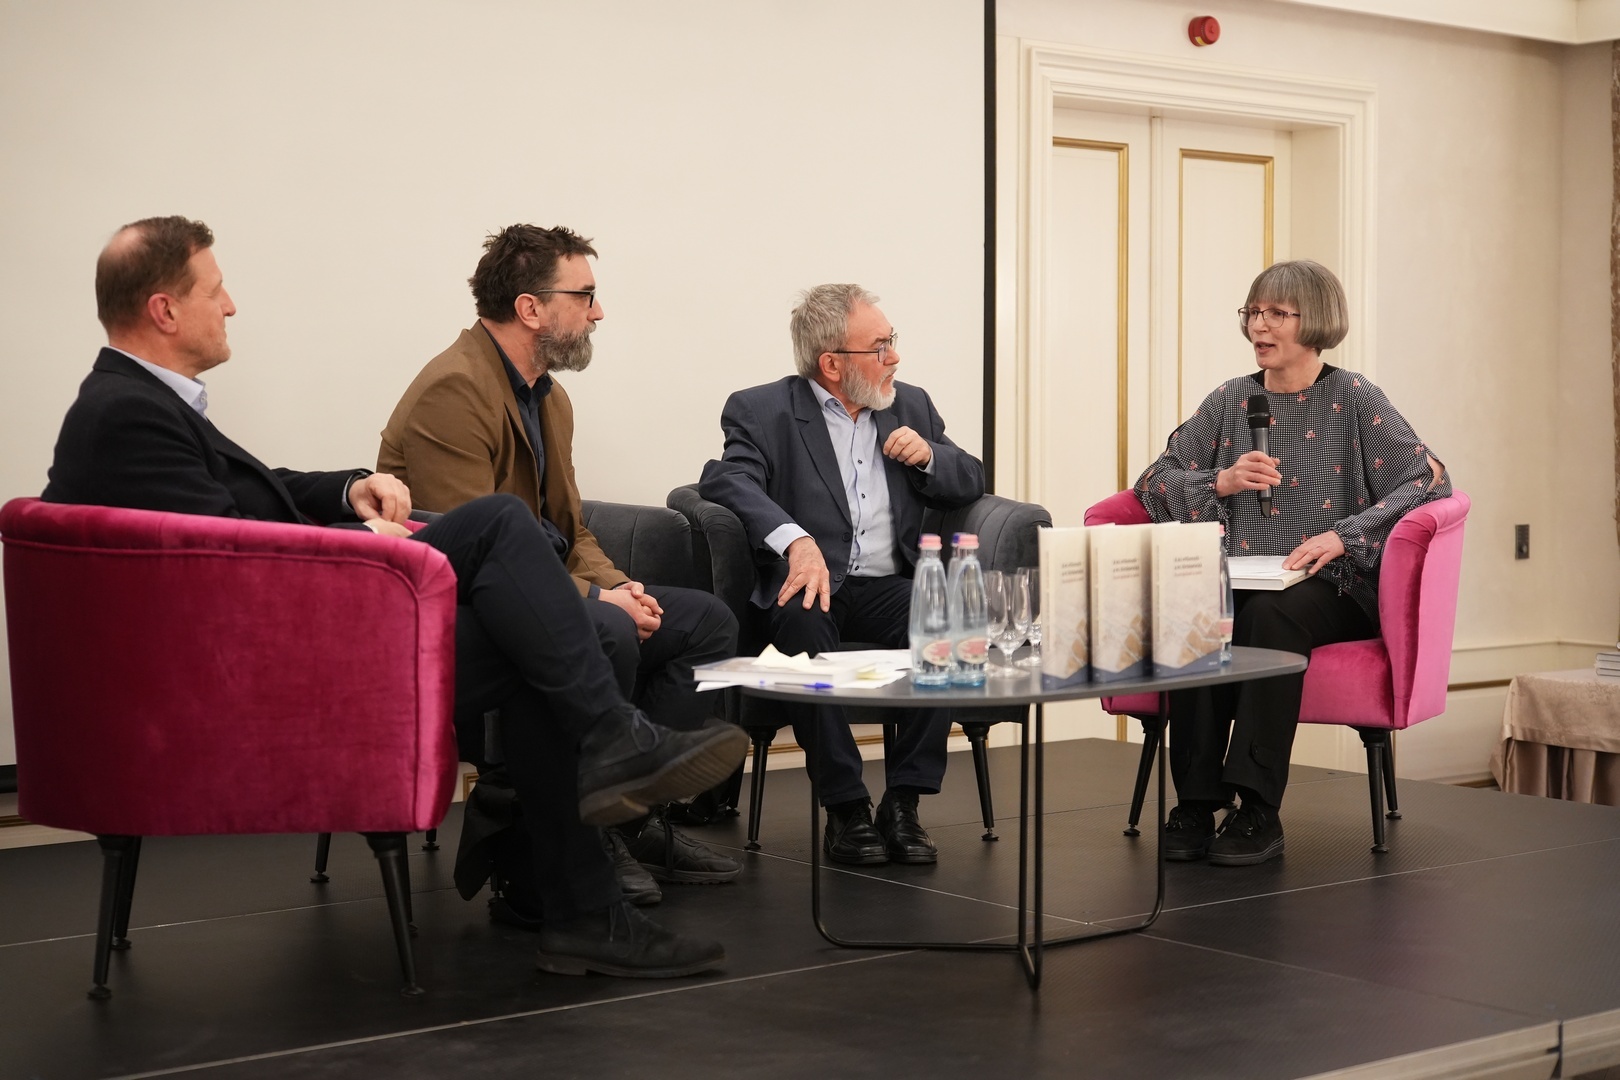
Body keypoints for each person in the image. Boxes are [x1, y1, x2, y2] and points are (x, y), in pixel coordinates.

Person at [42, 216, 749, 977]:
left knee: (532, 570)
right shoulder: (127, 415)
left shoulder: (140, 403)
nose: (232, 305)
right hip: (287, 659)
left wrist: (349, 490)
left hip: (306, 619)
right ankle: (592, 859)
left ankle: (583, 858)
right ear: (164, 310)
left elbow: (250, 498)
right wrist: (360, 544)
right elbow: (225, 563)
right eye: (215, 292)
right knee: (520, 553)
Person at [377, 225, 741, 903]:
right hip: (472, 613)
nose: (598, 312)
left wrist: (620, 585)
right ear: (531, 308)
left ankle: (627, 821)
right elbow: (475, 556)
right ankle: (576, 839)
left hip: (541, 589)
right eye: (585, 296)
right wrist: (598, 603)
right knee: (609, 632)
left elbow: (570, 529)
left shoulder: (548, 396)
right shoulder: (452, 391)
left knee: (706, 623)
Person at [1134, 259, 1450, 867]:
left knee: (1270, 617)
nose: (1260, 325)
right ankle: (1197, 802)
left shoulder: (1353, 397)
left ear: (1316, 320)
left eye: (1277, 313)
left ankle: (1258, 807)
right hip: (1240, 576)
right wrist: (1220, 481)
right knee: (1197, 612)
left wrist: (1344, 536)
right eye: (1254, 312)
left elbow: (1428, 483)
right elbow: (1153, 484)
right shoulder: (1230, 400)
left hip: (1331, 585)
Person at [698, 284, 984, 865]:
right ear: (832, 364)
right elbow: (725, 480)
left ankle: (903, 802)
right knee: (802, 632)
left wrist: (930, 456)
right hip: (812, 584)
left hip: (887, 585)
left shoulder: (909, 405)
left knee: (951, 625)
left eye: (892, 340)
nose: (894, 356)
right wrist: (795, 540)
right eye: (880, 346)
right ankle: (846, 806)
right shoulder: (762, 410)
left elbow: (971, 477)